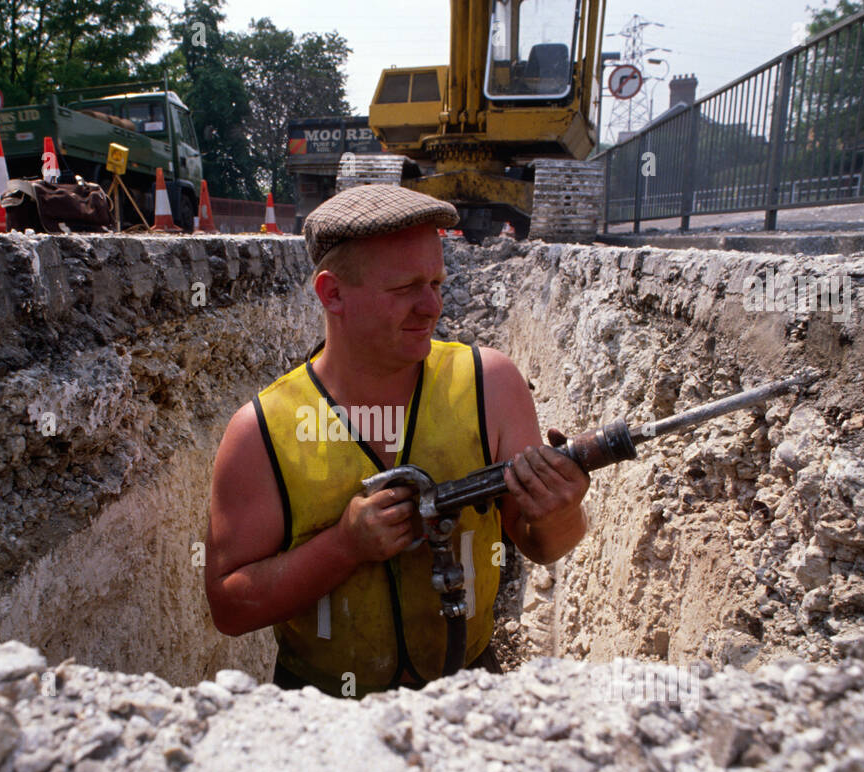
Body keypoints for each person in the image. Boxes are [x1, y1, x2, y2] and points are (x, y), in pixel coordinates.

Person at [205, 185, 589, 696]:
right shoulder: (262, 431)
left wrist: (561, 510)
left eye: (436, 281)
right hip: (321, 713)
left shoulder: (490, 385)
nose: (431, 307)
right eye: (405, 288)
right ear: (332, 293)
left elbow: (542, 545)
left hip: (470, 691)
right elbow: (230, 608)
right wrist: (344, 546)